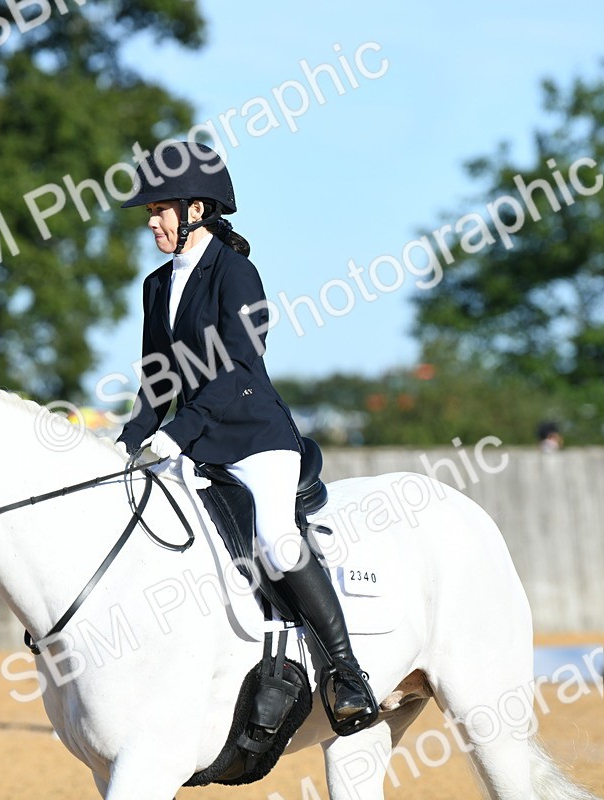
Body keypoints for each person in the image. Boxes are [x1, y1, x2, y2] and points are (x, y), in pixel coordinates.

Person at [116, 141, 374, 729]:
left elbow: (236, 366)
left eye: (159, 210)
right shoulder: (156, 285)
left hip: (255, 436)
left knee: (276, 539)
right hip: (194, 442)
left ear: (196, 210)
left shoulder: (236, 274)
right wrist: (128, 441)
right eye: (149, 212)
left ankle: (345, 670)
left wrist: (178, 432)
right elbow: (157, 379)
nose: (151, 222)